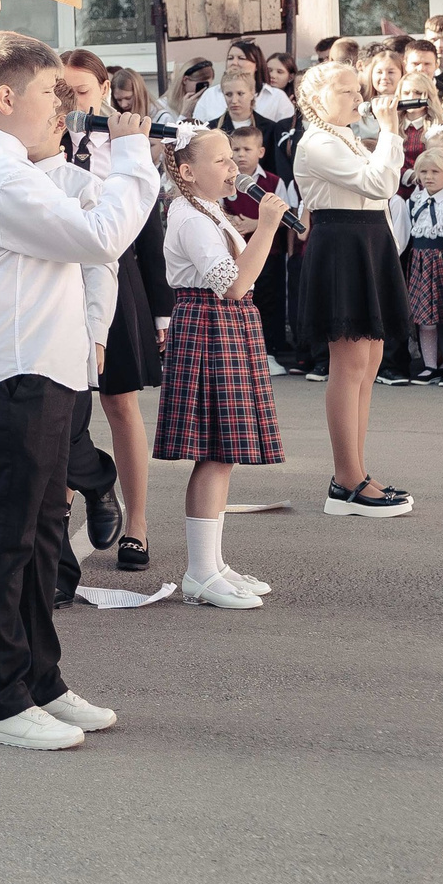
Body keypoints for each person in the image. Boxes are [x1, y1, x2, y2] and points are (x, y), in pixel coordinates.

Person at [0, 32, 155, 751]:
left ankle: (40, 680)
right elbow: (97, 237)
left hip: (37, 367)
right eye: (48, 91)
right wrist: (134, 161)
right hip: (9, 371)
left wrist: (104, 163)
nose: (63, 104)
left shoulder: (12, 163)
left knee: (38, 537)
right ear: (5, 97)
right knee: (5, 538)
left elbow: (71, 193)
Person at [157, 126, 291, 608]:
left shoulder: (208, 210)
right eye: (220, 161)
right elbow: (233, 284)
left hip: (226, 324)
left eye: (233, 158)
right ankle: (199, 571)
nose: (233, 167)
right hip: (210, 320)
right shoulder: (189, 217)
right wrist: (270, 226)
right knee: (213, 450)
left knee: (222, 451)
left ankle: (212, 564)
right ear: (188, 173)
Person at [291, 59, 414, 515]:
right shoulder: (316, 142)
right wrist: (391, 131)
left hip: (366, 240)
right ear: (316, 98)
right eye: (345, 91)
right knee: (349, 362)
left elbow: (382, 194)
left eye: (354, 89)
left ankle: (356, 472)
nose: (357, 98)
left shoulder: (345, 138)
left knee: (371, 358)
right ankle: (346, 480)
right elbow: (380, 181)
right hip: (341, 242)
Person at [64, 49, 164, 575]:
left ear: (105, 89)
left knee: (120, 405)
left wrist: (161, 311)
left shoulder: (125, 144)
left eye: (80, 91)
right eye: (61, 91)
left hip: (118, 279)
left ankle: (138, 524)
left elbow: (148, 226)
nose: (70, 101)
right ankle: (67, 513)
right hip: (59, 278)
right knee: (60, 408)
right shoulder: (47, 141)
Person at [220, 120, 300, 369]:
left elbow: (285, 215)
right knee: (240, 300)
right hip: (237, 254)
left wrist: (257, 223)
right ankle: (240, 350)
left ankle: (269, 350)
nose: (241, 155)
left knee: (269, 300)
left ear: (261, 152)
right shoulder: (224, 180)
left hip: (269, 253)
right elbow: (218, 208)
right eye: (236, 150)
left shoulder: (274, 182)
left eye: (247, 150)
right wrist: (230, 219)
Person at [402, 139, 443, 385]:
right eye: (424, 172)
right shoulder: (413, 202)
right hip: (420, 263)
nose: (428, 177)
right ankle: (429, 366)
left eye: (435, 172)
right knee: (425, 318)